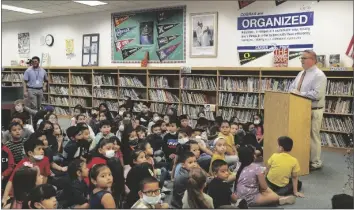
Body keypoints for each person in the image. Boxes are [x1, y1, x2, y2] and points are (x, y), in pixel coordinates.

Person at [289, 50, 327, 170]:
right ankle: (303, 158)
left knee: (313, 136)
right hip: (299, 109)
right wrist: (294, 92)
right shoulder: (301, 73)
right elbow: (292, 87)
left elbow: (317, 94)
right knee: (300, 135)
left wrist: (300, 93)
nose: (301, 60)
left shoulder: (319, 75)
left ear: (312, 60)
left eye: (304, 58)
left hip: (313, 109)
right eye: (301, 58)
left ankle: (315, 162)